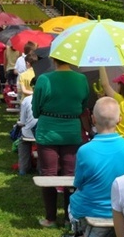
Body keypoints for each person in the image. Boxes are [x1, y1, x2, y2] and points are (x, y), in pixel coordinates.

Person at [61, 97, 124, 237]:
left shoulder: (85, 150)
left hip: (89, 208)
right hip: (121, 208)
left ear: (93, 119)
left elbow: (78, 183)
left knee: (73, 200)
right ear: (120, 120)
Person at [32, 57, 89, 227]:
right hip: (72, 131)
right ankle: (68, 217)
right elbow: (83, 105)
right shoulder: (82, 79)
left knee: (48, 174)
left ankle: (50, 217)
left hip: (47, 131)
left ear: (53, 59)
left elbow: (35, 109)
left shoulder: (44, 79)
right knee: (70, 175)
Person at [16, 80, 37, 175]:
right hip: (45, 133)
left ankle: (23, 169)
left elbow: (23, 121)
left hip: (29, 133)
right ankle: (41, 169)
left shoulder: (27, 100)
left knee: (23, 142)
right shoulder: (51, 100)